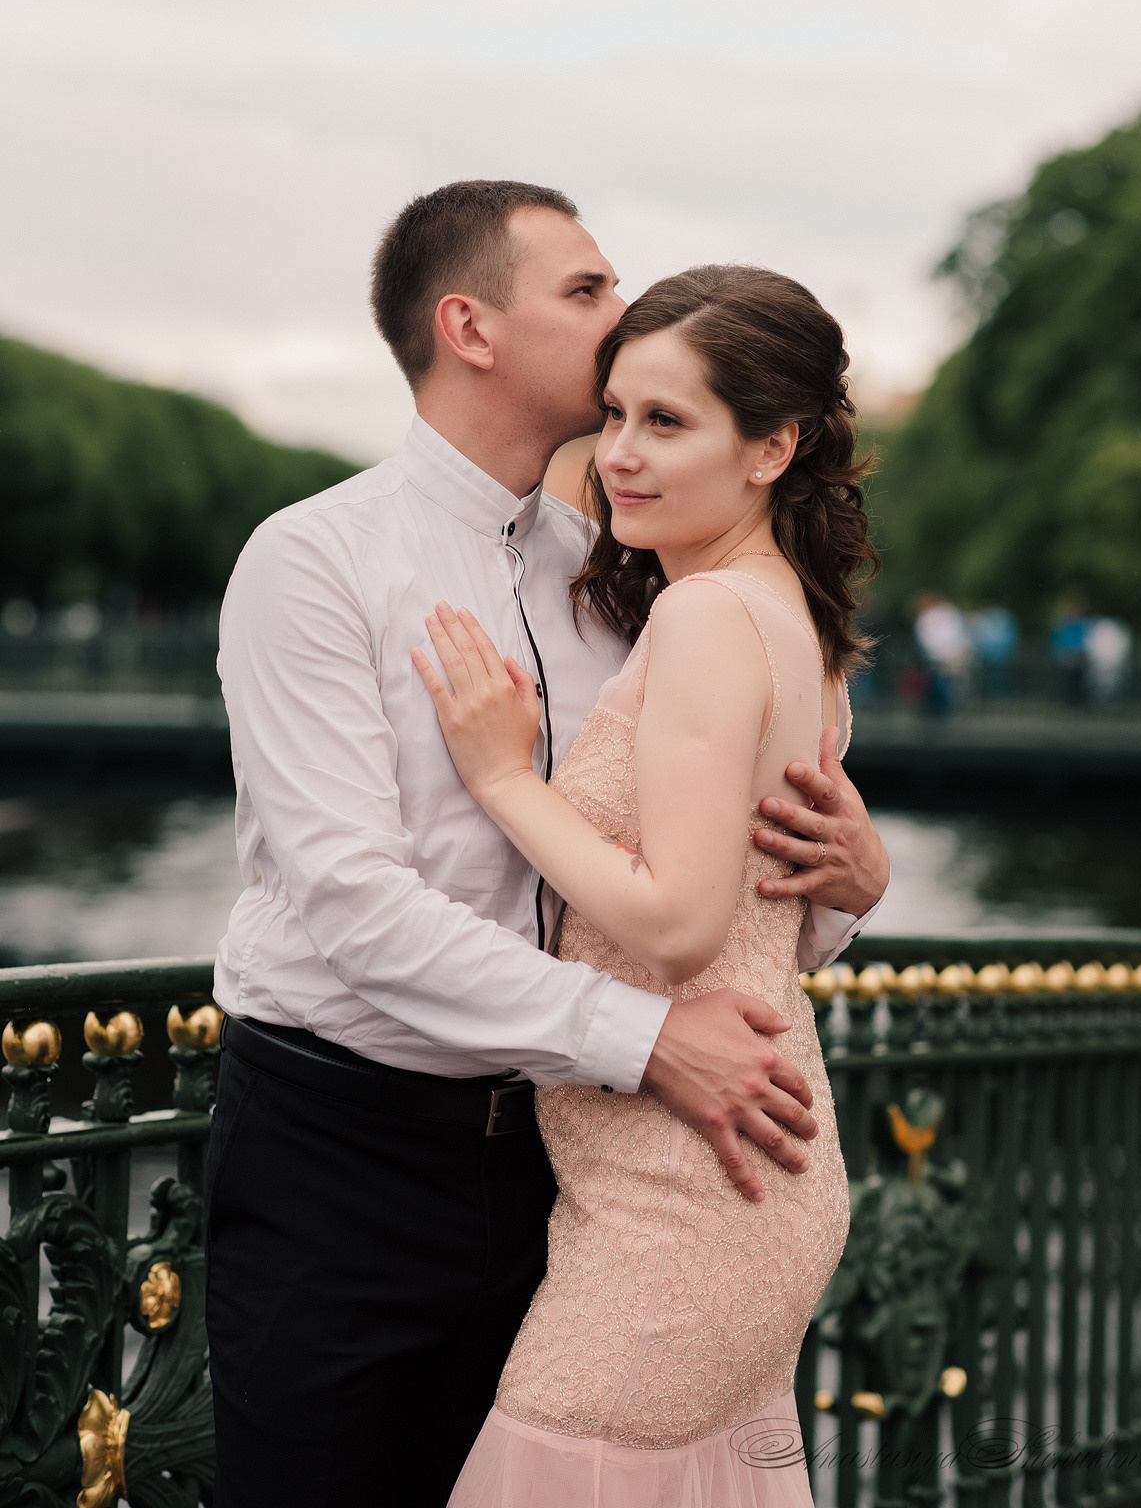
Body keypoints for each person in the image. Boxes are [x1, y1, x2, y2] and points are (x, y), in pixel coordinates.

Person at [206, 183, 890, 1508]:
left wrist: (850, 891)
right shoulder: (313, 563)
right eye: (584, 290)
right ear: (469, 326)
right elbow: (353, 904)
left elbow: (706, 854)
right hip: (348, 1157)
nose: (618, 309)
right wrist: (639, 1040)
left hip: (574, 1165)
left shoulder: (625, 572)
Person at [414, 264, 873, 1505]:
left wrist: (505, 780)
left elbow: (680, 926)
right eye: (613, 414)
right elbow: (792, 922)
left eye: (666, 422)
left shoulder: (709, 619)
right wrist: (860, 878)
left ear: (772, 445)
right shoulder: (789, 618)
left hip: (686, 1200)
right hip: (723, 1174)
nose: (618, 452)